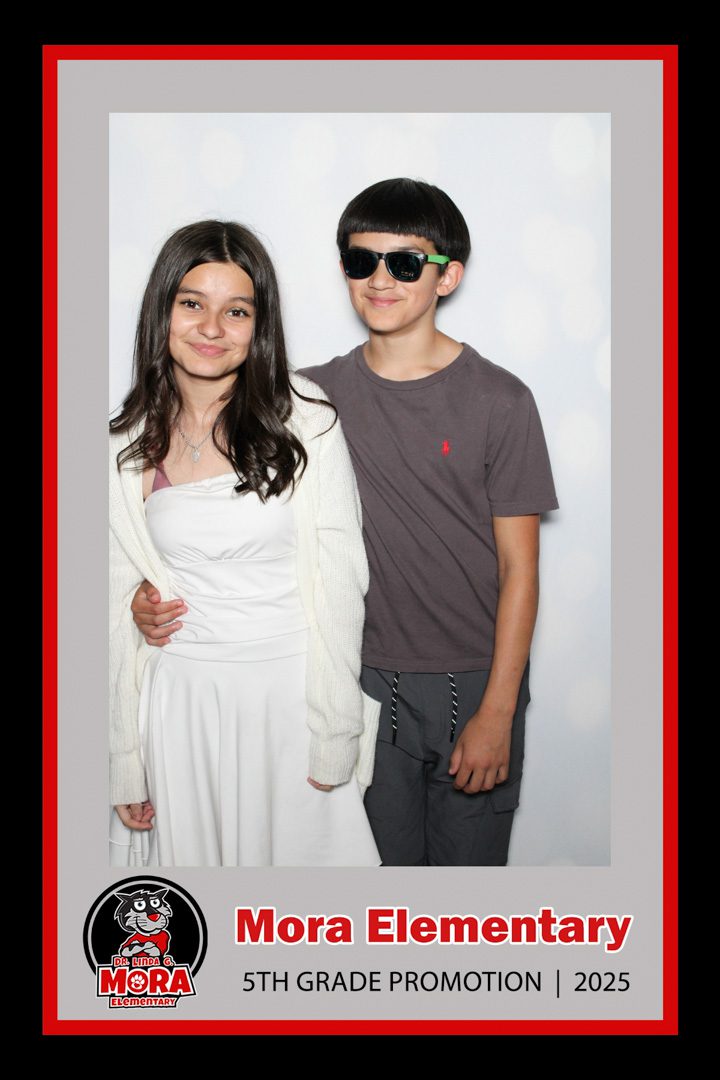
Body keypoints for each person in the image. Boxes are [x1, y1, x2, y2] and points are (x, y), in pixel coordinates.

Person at [132, 181, 559, 866]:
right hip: (356, 678)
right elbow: (201, 506)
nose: (381, 279)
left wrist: (500, 708)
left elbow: (521, 569)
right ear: (344, 271)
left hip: (474, 677)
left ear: (448, 276)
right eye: (363, 261)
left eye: (405, 263)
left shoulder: (500, 400)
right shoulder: (301, 402)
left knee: (468, 890)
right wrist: (143, 594)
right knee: (365, 884)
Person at [109, 219, 380, 868]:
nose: (211, 328)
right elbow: (111, 609)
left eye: (236, 311)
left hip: (290, 705)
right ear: (162, 310)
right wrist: (124, 759)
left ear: (260, 325)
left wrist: (336, 733)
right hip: (179, 707)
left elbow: (341, 584)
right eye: (191, 304)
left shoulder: (305, 417)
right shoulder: (124, 441)